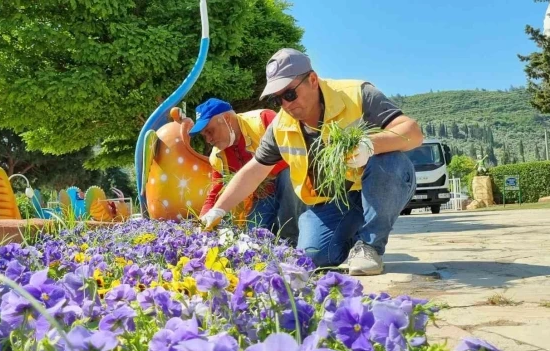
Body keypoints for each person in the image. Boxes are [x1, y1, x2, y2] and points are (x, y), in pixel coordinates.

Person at [200, 48, 423, 276]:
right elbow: (254, 171)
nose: (286, 105)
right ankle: (354, 236)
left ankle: (370, 246)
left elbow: (413, 132)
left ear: (313, 80)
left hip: (379, 182)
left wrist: (369, 145)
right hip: (333, 200)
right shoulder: (280, 125)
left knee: (389, 159)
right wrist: (217, 210)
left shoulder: (357, 94)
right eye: (278, 99)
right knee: (312, 256)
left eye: (289, 94)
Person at [177, 98, 304, 244]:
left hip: (292, 188)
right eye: (204, 135)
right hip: (262, 197)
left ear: (227, 119)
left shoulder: (263, 120)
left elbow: (297, 157)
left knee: (288, 175)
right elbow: (215, 191)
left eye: (210, 131)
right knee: (253, 237)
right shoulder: (218, 156)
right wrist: (202, 222)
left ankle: (292, 238)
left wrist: (257, 174)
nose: (208, 140)